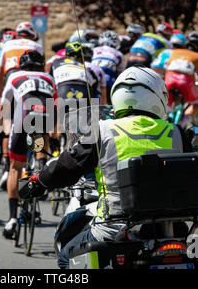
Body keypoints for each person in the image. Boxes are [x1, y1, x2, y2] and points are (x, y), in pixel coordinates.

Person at [25, 66, 188, 269]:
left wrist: (39, 181)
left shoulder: (103, 130)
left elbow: (68, 165)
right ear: (158, 97)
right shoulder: (177, 132)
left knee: (65, 256)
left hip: (116, 226)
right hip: (170, 226)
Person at [0, 50, 57, 239]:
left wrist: (3, 129)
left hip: (24, 117)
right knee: (42, 134)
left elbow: (4, 105)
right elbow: (55, 103)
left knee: (15, 167)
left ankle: (12, 219)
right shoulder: (48, 77)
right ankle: (41, 168)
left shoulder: (15, 75)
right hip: (45, 117)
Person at [0, 22, 43, 190]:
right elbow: (41, 68)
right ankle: (40, 164)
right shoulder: (37, 45)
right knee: (39, 123)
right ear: (32, 35)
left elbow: (0, 73)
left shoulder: (7, 45)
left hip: (12, 81)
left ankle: (6, 165)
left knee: (7, 122)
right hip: (32, 84)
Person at [165, 32, 198, 127]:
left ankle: (165, 119)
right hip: (184, 82)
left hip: (168, 78)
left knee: (167, 107)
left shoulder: (175, 52)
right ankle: (181, 125)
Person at [91, 30, 124, 101]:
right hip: (108, 80)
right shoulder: (119, 54)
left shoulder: (93, 50)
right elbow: (120, 75)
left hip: (93, 78)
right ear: (116, 43)